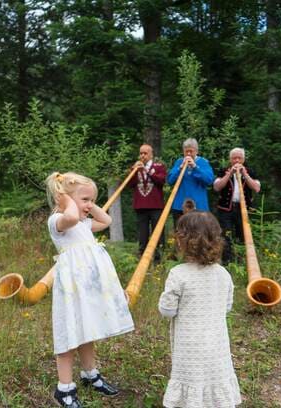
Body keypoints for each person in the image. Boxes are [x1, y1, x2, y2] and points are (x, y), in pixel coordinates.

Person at [45, 171, 134, 408]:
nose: (90, 205)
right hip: (72, 289)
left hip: (88, 288)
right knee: (69, 333)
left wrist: (88, 203)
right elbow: (71, 218)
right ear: (63, 200)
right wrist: (65, 202)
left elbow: (106, 221)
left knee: (88, 330)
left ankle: (89, 374)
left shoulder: (84, 222)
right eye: (85, 200)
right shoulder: (58, 222)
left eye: (92, 200)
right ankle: (64, 389)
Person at [158, 211, 241, 408]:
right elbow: (227, 306)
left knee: (192, 380)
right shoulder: (223, 274)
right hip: (217, 344)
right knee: (215, 378)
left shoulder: (178, 274)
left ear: (182, 241)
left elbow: (167, 310)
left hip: (189, 346)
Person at [213, 147, 261, 264]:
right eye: (234, 158)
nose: (237, 161)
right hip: (226, 209)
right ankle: (227, 262)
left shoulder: (250, 171)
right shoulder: (224, 171)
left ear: (243, 160)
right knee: (226, 236)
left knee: (242, 235)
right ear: (230, 160)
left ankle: (242, 261)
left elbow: (256, 188)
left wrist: (245, 174)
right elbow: (217, 187)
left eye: (239, 158)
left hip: (243, 209)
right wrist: (229, 175)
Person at [128, 144, 166, 259]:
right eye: (141, 153)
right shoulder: (135, 168)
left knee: (158, 232)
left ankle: (159, 259)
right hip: (141, 206)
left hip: (156, 205)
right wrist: (134, 171)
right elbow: (130, 184)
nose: (142, 156)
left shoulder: (159, 166)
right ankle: (142, 258)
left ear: (151, 154)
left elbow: (161, 181)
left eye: (145, 153)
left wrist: (147, 171)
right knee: (142, 234)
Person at [167, 138, 214, 226]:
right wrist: (179, 168)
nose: (188, 154)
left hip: (199, 206)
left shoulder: (203, 162)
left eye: (191, 151)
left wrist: (195, 167)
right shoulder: (179, 162)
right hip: (179, 205)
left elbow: (209, 180)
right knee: (180, 233)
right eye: (186, 151)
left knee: (199, 234)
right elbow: (170, 180)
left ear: (196, 151)